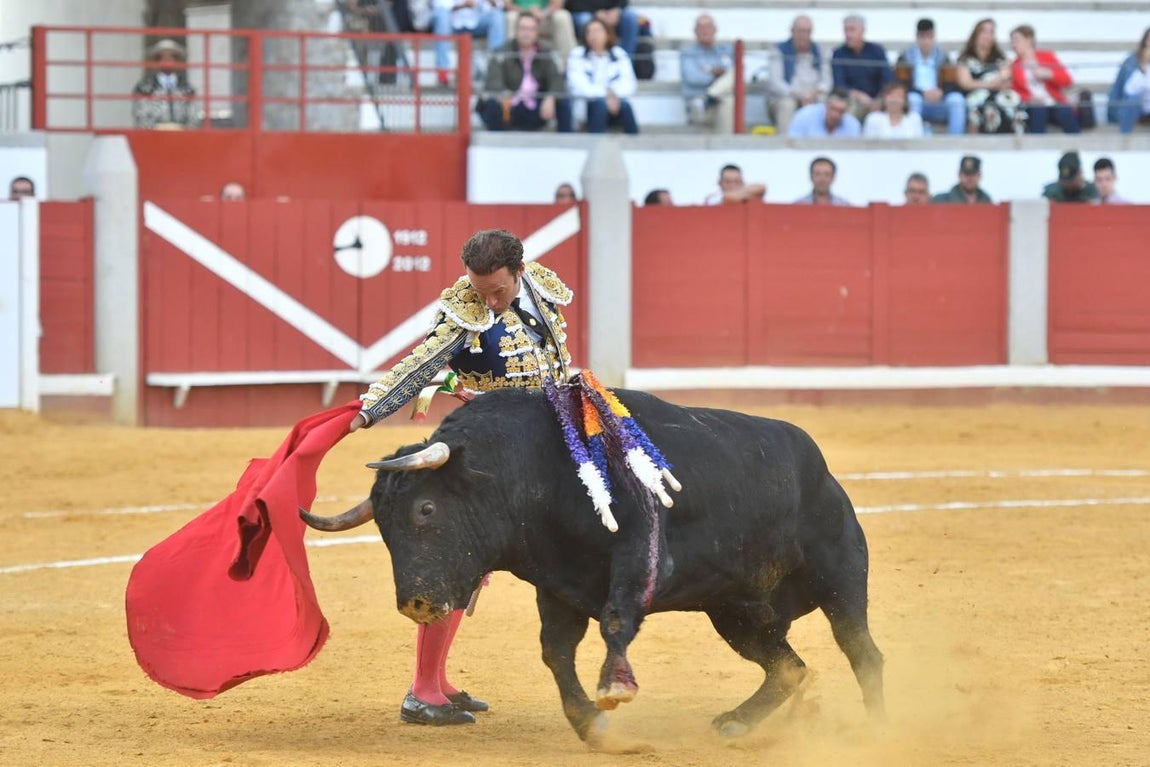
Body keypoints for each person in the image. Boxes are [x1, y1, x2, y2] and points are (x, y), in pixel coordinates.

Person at [350, 228, 575, 725]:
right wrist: (369, 411)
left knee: (478, 569)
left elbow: (553, 364)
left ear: (519, 271)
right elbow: (419, 364)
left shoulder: (540, 287)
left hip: (540, 444)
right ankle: (423, 690)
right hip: (484, 449)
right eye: (480, 291)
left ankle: (437, 681)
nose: (489, 302)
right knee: (462, 560)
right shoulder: (464, 309)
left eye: (497, 291)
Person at [479, 12, 572, 132]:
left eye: (531, 29)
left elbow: (557, 80)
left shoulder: (546, 52)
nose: (526, 33)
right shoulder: (502, 52)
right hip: (510, 105)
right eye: (523, 28)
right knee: (492, 104)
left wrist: (550, 97)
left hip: (536, 106)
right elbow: (493, 83)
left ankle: (567, 143)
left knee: (563, 101)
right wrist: (504, 96)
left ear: (537, 32)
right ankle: (496, 143)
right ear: (516, 30)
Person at [566, 18, 639, 134]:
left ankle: (636, 144)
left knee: (625, 106)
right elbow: (578, 86)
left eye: (598, 31)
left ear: (607, 33)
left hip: (616, 104)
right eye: (590, 32)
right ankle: (594, 143)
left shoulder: (619, 54)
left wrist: (614, 96)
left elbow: (629, 83)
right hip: (588, 107)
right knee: (599, 105)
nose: (594, 36)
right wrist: (606, 95)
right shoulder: (577, 54)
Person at [896, 18, 966, 135]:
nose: (926, 41)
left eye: (929, 36)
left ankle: (956, 139)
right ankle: (913, 139)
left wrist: (940, 92)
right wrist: (922, 93)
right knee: (913, 99)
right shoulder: (905, 57)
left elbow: (951, 83)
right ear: (917, 37)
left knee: (957, 100)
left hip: (939, 101)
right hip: (917, 101)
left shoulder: (943, 57)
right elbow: (902, 84)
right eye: (923, 36)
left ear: (934, 36)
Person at [765, 14, 832, 135]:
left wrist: (812, 95)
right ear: (792, 31)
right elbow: (775, 82)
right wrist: (799, 96)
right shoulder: (778, 50)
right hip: (787, 96)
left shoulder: (821, 51)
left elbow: (827, 82)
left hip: (814, 95)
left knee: (825, 104)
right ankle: (785, 144)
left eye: (807, 31)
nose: (803, 35)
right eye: (800, 31)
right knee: (787, 104)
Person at [955, 18, 1023, 134]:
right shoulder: (965, 59)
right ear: (976, 34)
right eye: (984, 31)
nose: (987, 35)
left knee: (1013, 104)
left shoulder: (1000, 58)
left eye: (991, 32)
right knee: (986, 107)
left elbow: (1007, 81)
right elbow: (965, 83)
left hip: (999, 93)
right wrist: (989, 84)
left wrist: (1000, 81)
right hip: (975, 95)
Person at [1008, 25, 1079, 134]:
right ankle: (1036, 146)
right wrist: (1030, 98)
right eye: (1012, 41)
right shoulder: (1015, 65)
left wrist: (1049, 74)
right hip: (1033, 105)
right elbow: (1015, 91)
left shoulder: (1047, 57)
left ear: (1029, 39)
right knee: (1039, 109)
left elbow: (1067, 81)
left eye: (1017, 40)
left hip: (1053, 102)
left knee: (1064, 110)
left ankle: (1077, 143)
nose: (1013, 45)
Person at [831, 14, 892, 120]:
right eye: (846, 30)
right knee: (849, 109)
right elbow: (839, 84)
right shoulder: (839, 54)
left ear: (863, 31)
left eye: (852, 30)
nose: (848, 34)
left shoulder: (877, 51)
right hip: (851, 100)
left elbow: (888, 79)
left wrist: (878, 99)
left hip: (878, 100)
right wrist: (859, 96)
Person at [431, 0, 506, 86]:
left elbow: (500, 5)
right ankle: (443, 73)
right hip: (452, 21)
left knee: (497, 15)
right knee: (442, 16)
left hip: (477, 21)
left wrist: (491, 2)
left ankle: (496, 70)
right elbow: (440, 5)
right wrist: (463, 5)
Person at [680, 14, 734, 132]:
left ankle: (710, 96)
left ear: (715, 30)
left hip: (718, 101)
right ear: (695, 31)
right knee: (729, 89)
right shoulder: (688, 53)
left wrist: (708, 71)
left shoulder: (725, 51)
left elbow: (734, 76)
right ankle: (709, 97)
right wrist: (716, 74)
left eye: (708, 27)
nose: (705, 31)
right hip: (697, 102)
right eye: (701, 27)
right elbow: (692, 78)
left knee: (734, 80)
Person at [131, 38, 198, 129]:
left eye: (172, 57)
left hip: (182, 137)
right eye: (163, 58)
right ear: (156, 61)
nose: (167, 61)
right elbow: (141, 116)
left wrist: (182, 130)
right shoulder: (144, 88)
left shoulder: (187, 89)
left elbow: (193, 118)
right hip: (153, 137)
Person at [503, 0, 577, 66]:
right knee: (511, 17)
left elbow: (558, 3)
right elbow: (508, 4)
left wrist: (543, 13)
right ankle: (511, 63)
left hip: (544, 18)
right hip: (521, 17)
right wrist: (527, 12)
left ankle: (568, 65)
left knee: (562, 16)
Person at [1108, 28, 1150, 133]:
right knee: (1133, 100)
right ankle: (1124, 137)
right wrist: (1143, 67)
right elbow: (1129, 90)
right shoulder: (1132, 60)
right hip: (1137, 108)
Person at [564, 0, 639, 58]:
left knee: (630, 16)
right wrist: (596, 13)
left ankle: (624, 60)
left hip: (611, 12)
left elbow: (623, 2)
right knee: (584, 20)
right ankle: (586, 60)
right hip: (584, 11)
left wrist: (616, 10)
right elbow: (572, 3)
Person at [788, 87, 861, 137]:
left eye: (841, 111)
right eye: (833, 109)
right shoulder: (803, 116)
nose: (836, 114)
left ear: (846, 110)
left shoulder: (853, 124)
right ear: (826, 105)